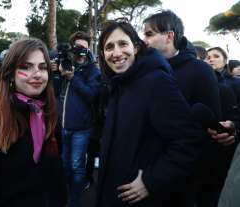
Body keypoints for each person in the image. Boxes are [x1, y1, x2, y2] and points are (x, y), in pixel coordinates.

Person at [96, 18, 203, 207]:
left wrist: (151, 181)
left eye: (123, 44)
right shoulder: (117, 84)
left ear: (136, 48)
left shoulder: (157, 82)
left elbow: (188, 141)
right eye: (109, 47)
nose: (116, 53)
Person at [0, 38, 67, 207]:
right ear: (11, 72)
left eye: (42, 67)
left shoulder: (49, 111)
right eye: (26, 67)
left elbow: (55, 170)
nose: (37, 74)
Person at [143, 10, 224, 207]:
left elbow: (211, 128)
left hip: (185, 180)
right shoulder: (145, 69)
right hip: (146, 171)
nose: (143, 40)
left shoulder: (200, 70)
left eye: (149, 34)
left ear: (169, 35)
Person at [57, 31, 101, 207]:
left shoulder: (92, 70)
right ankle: (66, 196)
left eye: (84, 47)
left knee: (77, 166)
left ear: (89, 48)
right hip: (64, 126)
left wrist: (73, 78)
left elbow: (91, 95)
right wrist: (57, 73)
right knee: (65, 164)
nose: (81, 52)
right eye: (77, 47)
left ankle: (75, 202)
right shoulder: (66, 65)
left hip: (82, 129)